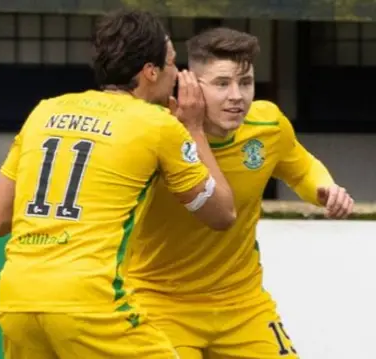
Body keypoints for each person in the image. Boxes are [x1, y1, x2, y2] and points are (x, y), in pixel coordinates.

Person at [0, 10, 237, 359]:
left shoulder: (44, 111)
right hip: (91, 302)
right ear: (150, 71)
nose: (176, 77)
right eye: (171, 64)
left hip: (17, 300)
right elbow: (222, 214)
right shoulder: (156, 124)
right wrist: (194, 129)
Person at [129, 27, 354, 359]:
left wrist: (323, 189)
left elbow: (302, 167)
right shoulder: (157, 131)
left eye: (245, 82)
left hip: (242, 303)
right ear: (190, 84)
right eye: (222, 84)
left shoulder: (268, 124)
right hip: (159, 301)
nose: (237, 96)